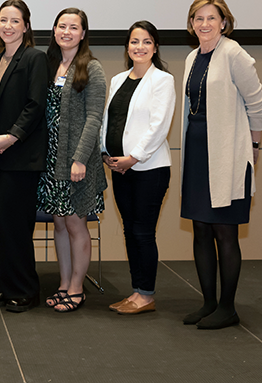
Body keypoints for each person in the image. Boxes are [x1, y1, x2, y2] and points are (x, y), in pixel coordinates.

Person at [180, 0, 262, 330]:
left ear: (224, 22)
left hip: (228, 154)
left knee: (224, 231)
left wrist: (255, 145)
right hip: (199, 152)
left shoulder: (234, 54)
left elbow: (257, 104)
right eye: (198, 18)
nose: (204, 24)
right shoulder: (192, 57)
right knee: (201, 229)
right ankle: (209, 303)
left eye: (211, 18)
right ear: (191, 24)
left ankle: (228, 308)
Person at [0, 0, 48, 313]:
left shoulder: (34, 59)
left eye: (14, 20)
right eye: (2, 20)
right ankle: (4, 288)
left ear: (26, 26)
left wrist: (11, 138)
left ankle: (25, 290)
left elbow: (35, 105)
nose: (7, 26)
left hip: (21, 156)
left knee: (16, 225)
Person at [101, 21, 175, 315]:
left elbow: (159, 127)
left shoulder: (162, 81)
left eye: (146, 42)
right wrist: (106, 153)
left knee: (143, 232)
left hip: (149, 169)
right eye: (134, 41)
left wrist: (134, 157)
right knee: (130, 231)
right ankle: (136, 291)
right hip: (120, 168)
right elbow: (111, 121)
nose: (139, 47)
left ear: (155, 47)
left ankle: (146, 294)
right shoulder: (118, 79)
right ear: (127, 46)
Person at [37, 7, 106, 313]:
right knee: (59, 224)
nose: (66, 32)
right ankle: (64, 283)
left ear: (83, 33)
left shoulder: (91, 68)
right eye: (61, 26)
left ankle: (77, 288)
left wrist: (79, 159)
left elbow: (94, 119)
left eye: (73, 27)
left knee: (77, 224)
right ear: (54, 31)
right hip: (51, 160)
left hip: (76, 161)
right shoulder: (49, 64)